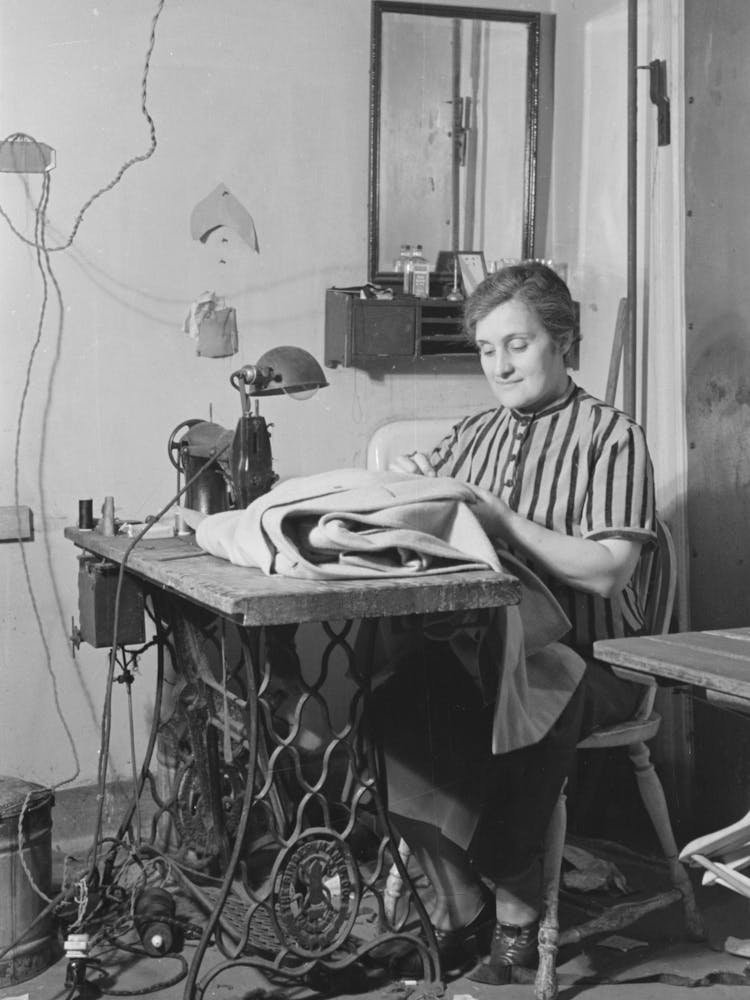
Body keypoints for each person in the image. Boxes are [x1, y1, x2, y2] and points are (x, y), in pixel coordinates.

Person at [374, 261, 656, 982]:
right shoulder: (474, 433)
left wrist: (503, 521)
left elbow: (607, 571)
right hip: (485, 649)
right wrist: (404, 487)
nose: (500, 365)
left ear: (561, 339)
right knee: (388, 711)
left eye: (518, 344)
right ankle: (463, 901)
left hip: (598, 657)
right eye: (487, 349)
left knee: (536, 683)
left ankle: (515, 906)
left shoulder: (611, 437)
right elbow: (414, 497)